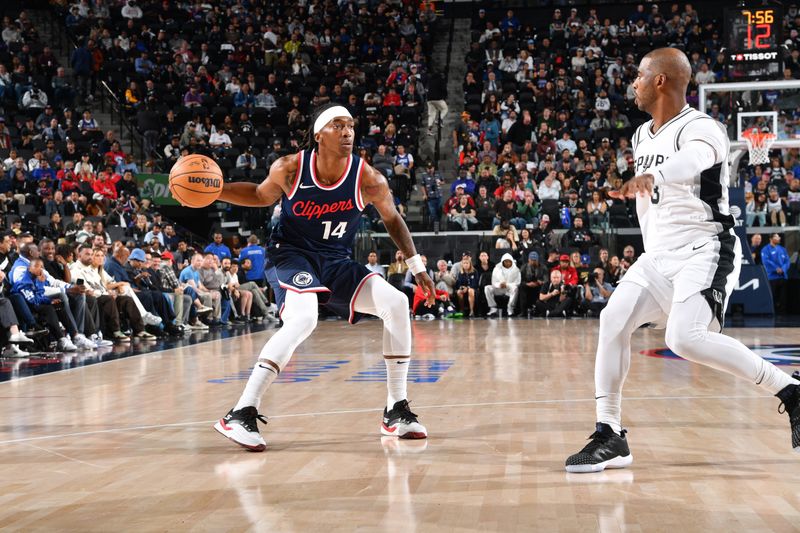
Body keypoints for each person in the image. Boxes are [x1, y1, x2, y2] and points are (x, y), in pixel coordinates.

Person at [566, 48, 800, 473]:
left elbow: (692, 160)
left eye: (639, 75)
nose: (632, 83)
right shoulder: (640, 136)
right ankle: (610, 433)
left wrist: (655, 175)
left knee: (685, 339)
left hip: (706, 247)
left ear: (660, 81)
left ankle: (790, 390)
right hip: (659, 255)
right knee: (612, 319)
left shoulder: (703, 127)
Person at [208, 103, 435, 450]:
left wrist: (418, 267)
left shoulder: (368, 178)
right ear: (319, 134)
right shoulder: (290, 168)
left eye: (350, 126)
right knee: (303, 319)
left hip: (334, 259)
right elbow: (257, 195)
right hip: (291, 254)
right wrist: (216, 189)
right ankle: (241, 412)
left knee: (397, 303)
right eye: (338, 125)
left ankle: (396, 411)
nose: (347, 132)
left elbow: (392, 219)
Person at [761, 232, 790, 314]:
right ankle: (772, 312)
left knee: (783, 297)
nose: (779, 238)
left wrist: (783, 269)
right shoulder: (765, 249)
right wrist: (776, 268)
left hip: (782, 276)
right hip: (772, 277)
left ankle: (783, 312)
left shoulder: (782, 249)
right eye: (776, 237)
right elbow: (766, 261)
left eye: (779, 237)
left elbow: (787, 261)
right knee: (772, 296)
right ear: (771, 239)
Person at [485, 253, 520, 317]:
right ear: (502, 262)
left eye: (509, 261)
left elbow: (517, 282)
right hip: (499, 288)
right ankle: (493, 308)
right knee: (487, 288)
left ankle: (510, 308)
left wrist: (507, 285)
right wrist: (499, 285)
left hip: (509, 289)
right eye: (506, 261)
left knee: (515, 288)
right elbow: (493, 281)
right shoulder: (497, 268)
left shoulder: (516, 270)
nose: (508, 263)